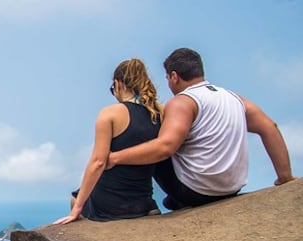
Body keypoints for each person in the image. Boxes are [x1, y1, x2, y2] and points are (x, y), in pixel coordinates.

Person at [106, 47, 295, 210]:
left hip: (195, 191)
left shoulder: (182, 102)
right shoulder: (233, 98)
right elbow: (270, 127)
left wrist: (115, 157)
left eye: (167, 78)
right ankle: (176, 200)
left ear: (174, 76)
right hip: (230, 188)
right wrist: (284, 176)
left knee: (149, 133)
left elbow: (165, 147)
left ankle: (141, 204)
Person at [54, 58, 163, 225]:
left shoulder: (110, 113)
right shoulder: (158, 114)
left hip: (111, 204)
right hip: (143, 200)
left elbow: (98, 162)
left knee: (75, 197)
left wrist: (77, 209)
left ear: (118, 84)